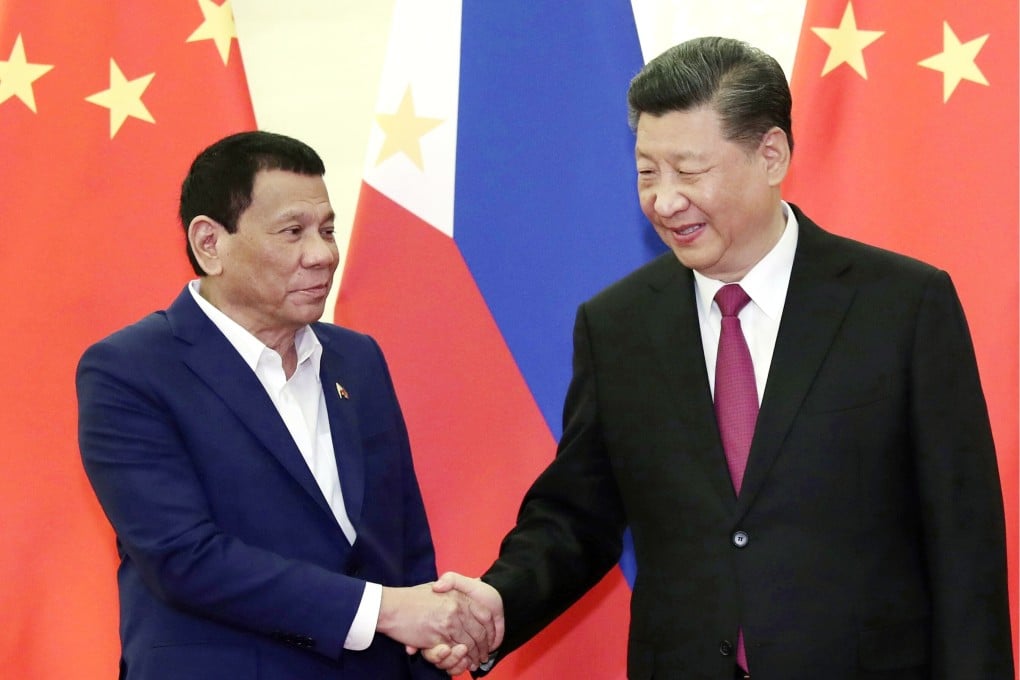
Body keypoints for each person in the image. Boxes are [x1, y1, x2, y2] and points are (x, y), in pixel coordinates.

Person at [427, 36, 1014, 679]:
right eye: (648, 172)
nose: (665, 200)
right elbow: (576, 514)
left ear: (771, 155)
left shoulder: (902, 305)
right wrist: (500, 599)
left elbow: (964, 542)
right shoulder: (617, 324)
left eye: (689, 170)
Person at [77, 131, 499, 679]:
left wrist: (441, 639)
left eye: (327, 230)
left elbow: (403, 548)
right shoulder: (130, 370)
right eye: (292, 232)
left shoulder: (357, 358)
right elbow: (185, 559)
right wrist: (388, 611)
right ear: (210, 243)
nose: (322, 254)